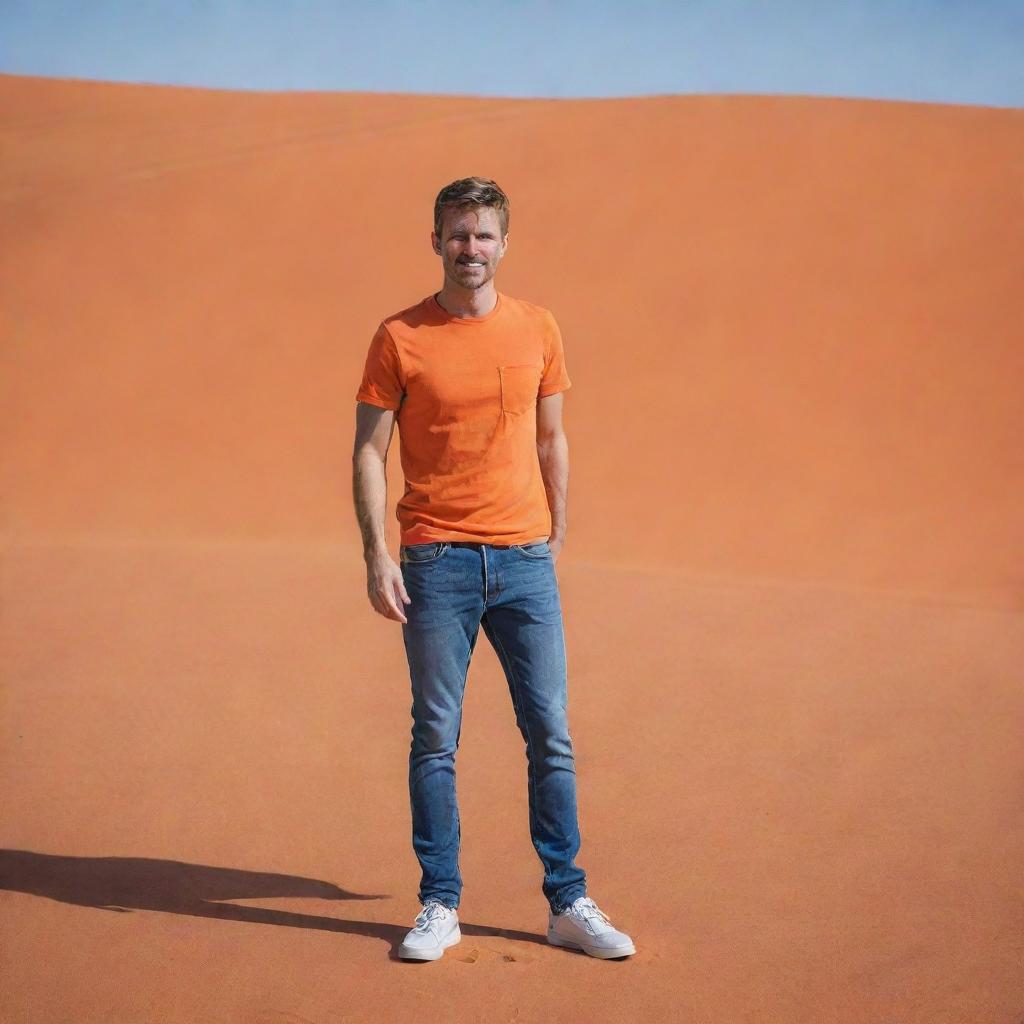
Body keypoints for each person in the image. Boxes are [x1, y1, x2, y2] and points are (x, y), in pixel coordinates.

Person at [352, 177, 635, 962]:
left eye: (482, 235)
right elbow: (370, 453)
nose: (469, 249)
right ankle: (440, 904)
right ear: (435, 240)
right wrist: (378, 553)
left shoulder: (538, 327)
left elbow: (552, 436)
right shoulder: (399, 335)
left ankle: (568, 901)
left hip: (523, 562)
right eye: (456, 234)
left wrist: (557, 525)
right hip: (434, 559)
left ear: (504, 243)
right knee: (436, 738)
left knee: (550, 734)